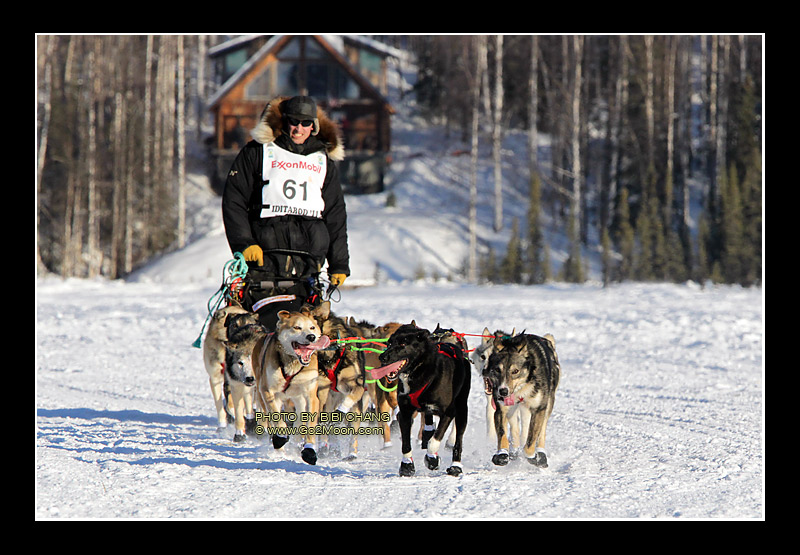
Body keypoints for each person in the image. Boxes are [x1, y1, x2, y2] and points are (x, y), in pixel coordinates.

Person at [222, 95, 349, 326]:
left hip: (308, 263)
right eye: (294, 122)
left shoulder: (323, 161)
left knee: (304, 332)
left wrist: (339, 263)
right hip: (264, 260)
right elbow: (234, 200)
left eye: (305, 123)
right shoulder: (258, 151)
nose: (299, 129)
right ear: (284, 122)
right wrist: (244, 243)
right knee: (260, 328)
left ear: (314, 126)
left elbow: (335, 215)